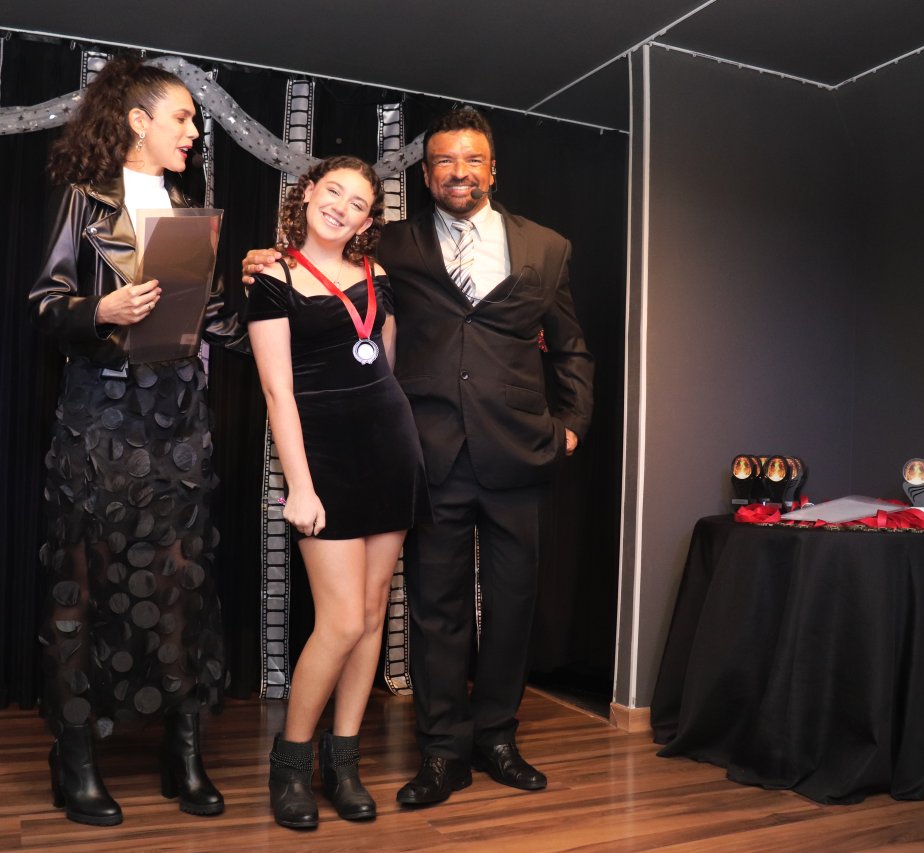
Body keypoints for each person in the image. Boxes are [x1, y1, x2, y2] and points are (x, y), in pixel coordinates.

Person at [243, 108, 594, 807]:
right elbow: (319, 265)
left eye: (472, 160)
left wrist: (572, 426)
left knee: (513, 603)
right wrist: (264, 259)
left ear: (492, 170)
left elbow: (571, 345)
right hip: (429, 456)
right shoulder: (390, 246)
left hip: (519, 451)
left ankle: (498, 738)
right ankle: (441, 752)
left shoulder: (547, 247)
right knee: (435, 609)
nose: (459, 172)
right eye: (443, 162)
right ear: (425, 175)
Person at [30, 55, 245, 826]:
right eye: (183, 117)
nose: (193, 132)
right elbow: (47, 304)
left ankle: (182, 753)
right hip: (100, 422)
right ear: (137, 120)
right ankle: (75, 757)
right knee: (83, 587)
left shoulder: (189, 208)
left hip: (178, 427)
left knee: (179, 585)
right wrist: (101, 311)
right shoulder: (82, 197)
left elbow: (214, 322)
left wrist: (270, 292)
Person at [245, 155, 423, 828]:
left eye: (358, 203)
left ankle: (343, 760)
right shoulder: (272, 277)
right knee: (342, 619)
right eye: (334, 191)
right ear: (309, 193)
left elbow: (386, 363)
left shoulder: (378, 276)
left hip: (390, 451)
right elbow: (276, 392)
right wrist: (299, 484)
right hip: (323, 457)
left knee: (373, 615)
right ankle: (290, 760)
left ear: (368, 221)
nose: (342, 207)